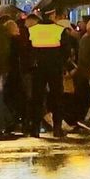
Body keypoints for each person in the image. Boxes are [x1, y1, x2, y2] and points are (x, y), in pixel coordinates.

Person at [28, 9, 74, 137]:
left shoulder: (33, 30)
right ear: (52, 15)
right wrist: (60, 62)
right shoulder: (59, 30)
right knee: (57, 98)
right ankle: (57, 129)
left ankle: (35, 129)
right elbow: (66, 51)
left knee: (37, 98)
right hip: (54, 68)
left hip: (38, 69)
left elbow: (28, 50)